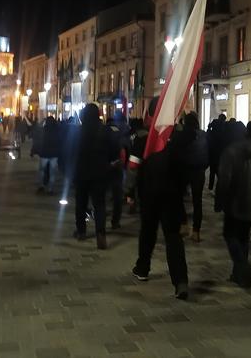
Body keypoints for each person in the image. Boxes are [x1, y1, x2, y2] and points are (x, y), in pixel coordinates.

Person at [129, 97, 190, 299]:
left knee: (148, 231)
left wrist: (129, 192)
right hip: (172, 194)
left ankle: (143, 268)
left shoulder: (142, 139)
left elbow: (133, 167)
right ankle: (180, 281)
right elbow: (183, 170)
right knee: (173, 237)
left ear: (151, 113)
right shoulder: (176, 139)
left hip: (149, 193)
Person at [214, 121, 251, 288]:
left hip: (234, 201)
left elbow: (224, 180)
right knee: (244, 237)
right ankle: (238, 273)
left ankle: (243, 267)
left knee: (230, 234)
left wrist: (219, 201)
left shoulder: (229, 152)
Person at [73, 104, 118, 250]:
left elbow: (71, 152)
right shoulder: (105, 130)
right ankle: (101, 234)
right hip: (99, 172)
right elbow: (114, 150)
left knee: (81, 203)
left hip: (81, 173)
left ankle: (81, 231)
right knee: (99, 205)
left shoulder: (78, 131)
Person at [180, 112, 208, 242]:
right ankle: (196, 231)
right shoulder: (203, 134)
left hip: (185, 170)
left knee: (178, 197)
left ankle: (184, 224)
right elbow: (209, 151)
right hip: (199, 171)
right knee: (197, 201)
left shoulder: (183, 134)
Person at [108, 110, 131, 229]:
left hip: (111, 164)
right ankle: (115, 220)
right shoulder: (127, 130)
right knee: (119, 191)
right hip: (122, 163)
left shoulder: (111, 131)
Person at [38, 116, 60, 195]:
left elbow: (37, 128)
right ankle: (50, 189)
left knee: (42, 171)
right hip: (54, 154)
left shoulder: (44, 130)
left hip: (44, 153)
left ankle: (41, 186)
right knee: (52, 173)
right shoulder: (57, 130)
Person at [206, 114, 227, 190]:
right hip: (220, 152)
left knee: (212, 171)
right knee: (219, 171)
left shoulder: (214, 124)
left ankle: (210, 187)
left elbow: (208, 131)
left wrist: (209, 128)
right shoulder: (224, 127)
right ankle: (220, 186)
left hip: (212, 151)